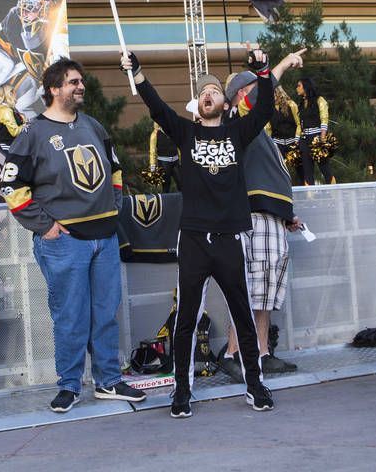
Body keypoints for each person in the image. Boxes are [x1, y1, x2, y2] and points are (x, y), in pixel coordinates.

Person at [121, 42, 302, 418]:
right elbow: (156, 107)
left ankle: (255, 385)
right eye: (203, 92)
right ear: (197, 104)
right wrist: (137, 73)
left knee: (243, 316)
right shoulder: (186, 133)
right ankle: (182, 393)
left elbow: (266, 107)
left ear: (224, 103)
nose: (208, 95)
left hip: (230, 238)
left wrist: (264, 70)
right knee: (186, 319)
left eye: (215, 91)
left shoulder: (238, 133)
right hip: (193, 240)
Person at [2, 58, 146, 413]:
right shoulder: (32, 133)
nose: (80, 87)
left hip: (105, 237)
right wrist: (45, 226)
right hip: (64, 241)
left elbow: (114, 169)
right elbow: (11, 185)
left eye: (81, 81)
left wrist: (114, 206)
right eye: (73, 82)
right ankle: (68, 385)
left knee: (105, 314)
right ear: (53, 89)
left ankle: (108, 382)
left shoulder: (94, 126)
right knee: (71, 316)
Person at [216, 55, 307, 383]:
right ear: (244, 95)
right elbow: (259, 97)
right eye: (258, 89)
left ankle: (261, 353)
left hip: (270, 217)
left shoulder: (257, 133)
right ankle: (234, 353)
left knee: (266, 292)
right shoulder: (240, 120)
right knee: (252, 288)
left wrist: (287, 215)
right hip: (253, 217)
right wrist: (277, 66)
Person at [295, 77, 335, 184]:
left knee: (325, 168)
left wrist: (323, 136)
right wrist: (297, 139)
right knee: (307, 171)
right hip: (304, 139)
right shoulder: (301, 104)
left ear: (306, 86)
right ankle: (310, 197)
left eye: (299, 86)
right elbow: (299, 124)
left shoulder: (319, 100)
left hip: (317, 137)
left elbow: (324, 117)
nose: (297, 88)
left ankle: (334, 194)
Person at [266, 86, 301, 159]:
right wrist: (269, 143)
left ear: (279, 93)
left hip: (293, 142)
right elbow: (268, 128)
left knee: (300, 169)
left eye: (274, 93)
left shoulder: (291, 105)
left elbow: (299, 123)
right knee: (280, 169)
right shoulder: (269, 108)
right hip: (277, 144)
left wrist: (297, 139)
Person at [149, 122, 182, 193]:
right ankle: (165, 202)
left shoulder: (174, 132)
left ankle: (184, 201)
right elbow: (152, 151)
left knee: (181, 183)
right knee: (166, 186)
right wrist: (152, 166)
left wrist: (181, 158)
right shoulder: (155, 134)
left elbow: (178, 146)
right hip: (164, 162)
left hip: (175, 160)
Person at [0, 86, 25, 155]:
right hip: (9, 148)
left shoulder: (9, 108)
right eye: (15, 92)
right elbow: (14, 131)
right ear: (9, 94)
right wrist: (28, 126)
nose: (16, 95)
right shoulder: (5, 110)